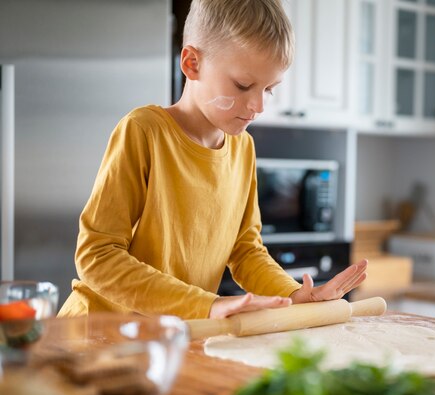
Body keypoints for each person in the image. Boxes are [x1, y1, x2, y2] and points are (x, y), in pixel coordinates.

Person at [58, 0, 367, 319]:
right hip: (95, 331)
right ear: (192, 63)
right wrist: (208, 304)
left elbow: (246, 251)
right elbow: (98, 257)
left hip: (166, 338)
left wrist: (292, 295)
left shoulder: (242, 148)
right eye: (243, 85)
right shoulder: (144, 132)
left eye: (269, 89)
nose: (259, 106)